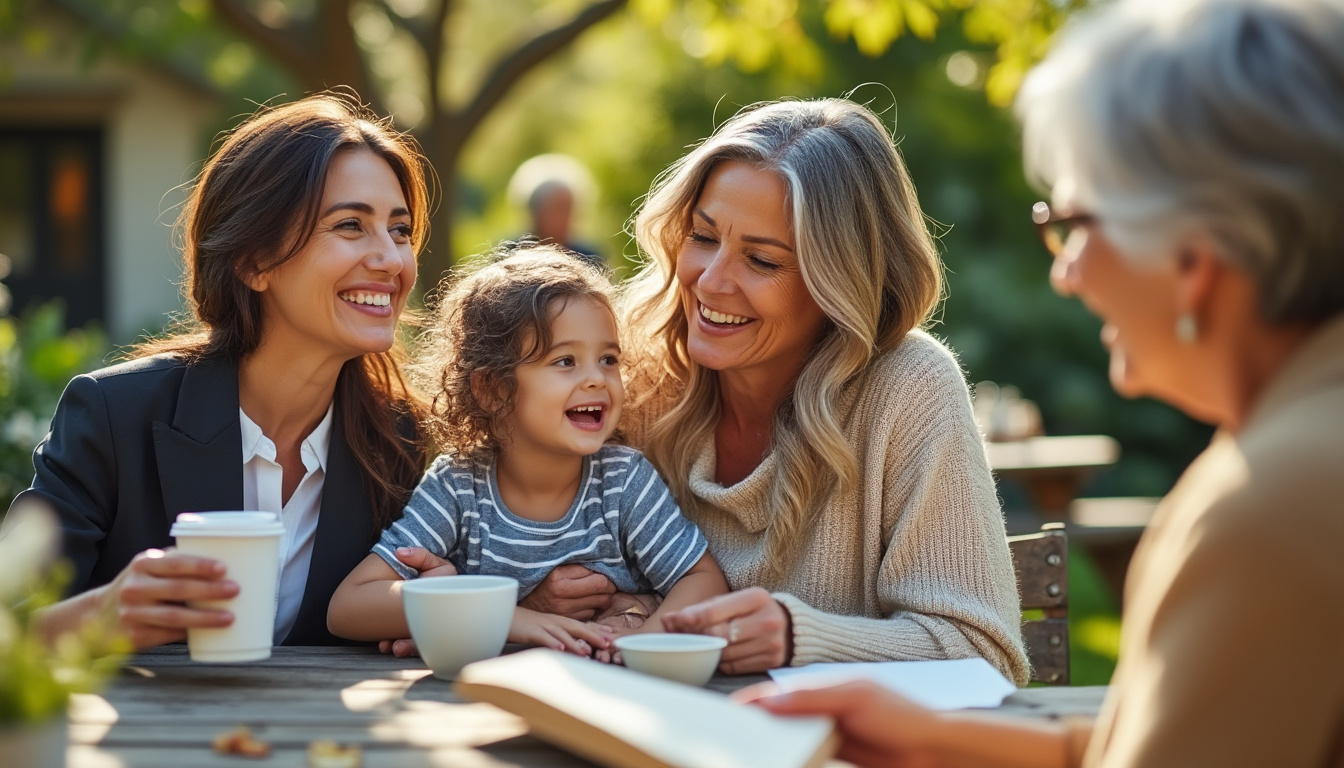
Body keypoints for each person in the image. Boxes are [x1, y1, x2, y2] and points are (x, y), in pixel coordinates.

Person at [742, 0, 1344, 765]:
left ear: (1192, 261)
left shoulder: (1271, 509)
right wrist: (940, 739)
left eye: (1078, 223)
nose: (1066, 272)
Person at [5, 91, 431, 650]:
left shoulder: (407, 443)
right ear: (254, 261)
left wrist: (446, 600)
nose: (391, 260)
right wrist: (103, 614)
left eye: (399, 231)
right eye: (351, 225)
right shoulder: (115, 417)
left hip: (334, 739)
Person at [327, 245, 729, 656]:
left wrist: (643, 642)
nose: (597, 378)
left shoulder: (623, 481)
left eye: (608, 359)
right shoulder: (459, 486)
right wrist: (510, 619)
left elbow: (702, 580)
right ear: (493, 389)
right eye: (566, 361)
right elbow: (349, 606)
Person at [507, 154, 604, 266]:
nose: (564, 218)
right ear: (536, 212)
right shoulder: (510, 255)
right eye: (557, 209)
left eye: (568, 209)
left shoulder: (589, 257)